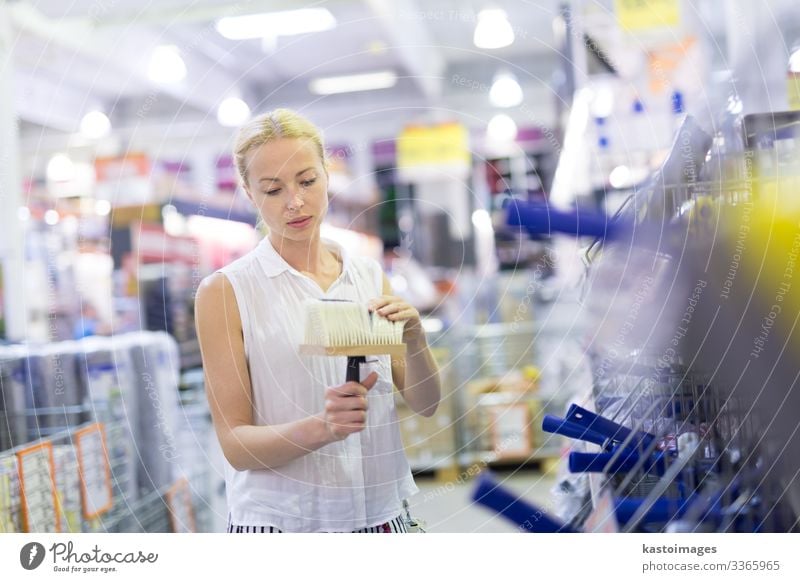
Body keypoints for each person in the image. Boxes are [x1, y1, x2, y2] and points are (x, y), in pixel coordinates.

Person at [195, 108, 442, 533]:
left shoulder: (367, 275)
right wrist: (322, 428)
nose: (295, 201)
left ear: (328, 174)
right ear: (250, 194)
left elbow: (428, 403)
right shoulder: (227, 292)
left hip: (380, 515)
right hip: (282, 526)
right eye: (273, 190)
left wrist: (415, 340)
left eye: (307, 181)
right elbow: (235, 445)